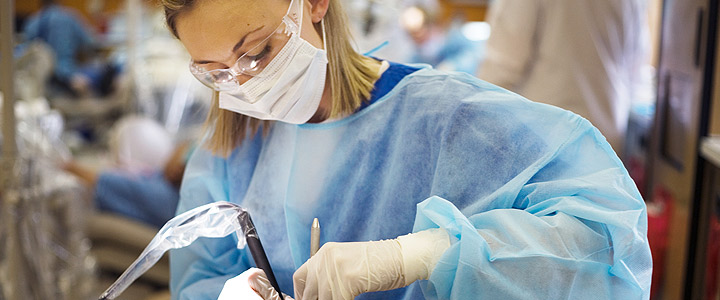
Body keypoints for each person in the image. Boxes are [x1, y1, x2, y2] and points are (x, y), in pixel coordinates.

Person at [163, 0, 652, 299]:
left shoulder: (446, 118)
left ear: (313, 2)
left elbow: (606, 240)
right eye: (218, 72)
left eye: (258, 51)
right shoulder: (232, 145)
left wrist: (416, 256)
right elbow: (201, 274)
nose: (246, 84)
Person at [477, 0, 649, 155]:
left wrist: (476, 126)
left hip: (545, 139)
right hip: (606, 141)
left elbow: (502, 65)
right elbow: (635, 70)